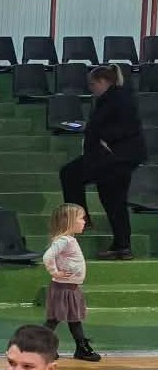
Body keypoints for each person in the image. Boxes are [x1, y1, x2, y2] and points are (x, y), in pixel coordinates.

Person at [59, 64, 147, 261]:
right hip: (118, 158)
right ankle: (122, 246)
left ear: (103, 82)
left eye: (93, 84)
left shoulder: (117, 99)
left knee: (70, 173)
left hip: (113, 157)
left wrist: (104, 138)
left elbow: (126, 127)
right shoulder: (118, 97)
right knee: (114, 200)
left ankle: (81, 219)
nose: (91, 89)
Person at [43, 203, 100, 362]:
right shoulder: (64, 241)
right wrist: (55, 272)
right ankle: (40, 346)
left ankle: (81, 347)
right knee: (55, 319)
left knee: (74, 318)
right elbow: (48, 256)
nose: (84, 222)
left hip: (71, 287)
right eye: (81, 218)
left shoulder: (70, 240)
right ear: (69, 221)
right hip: (63, 288)